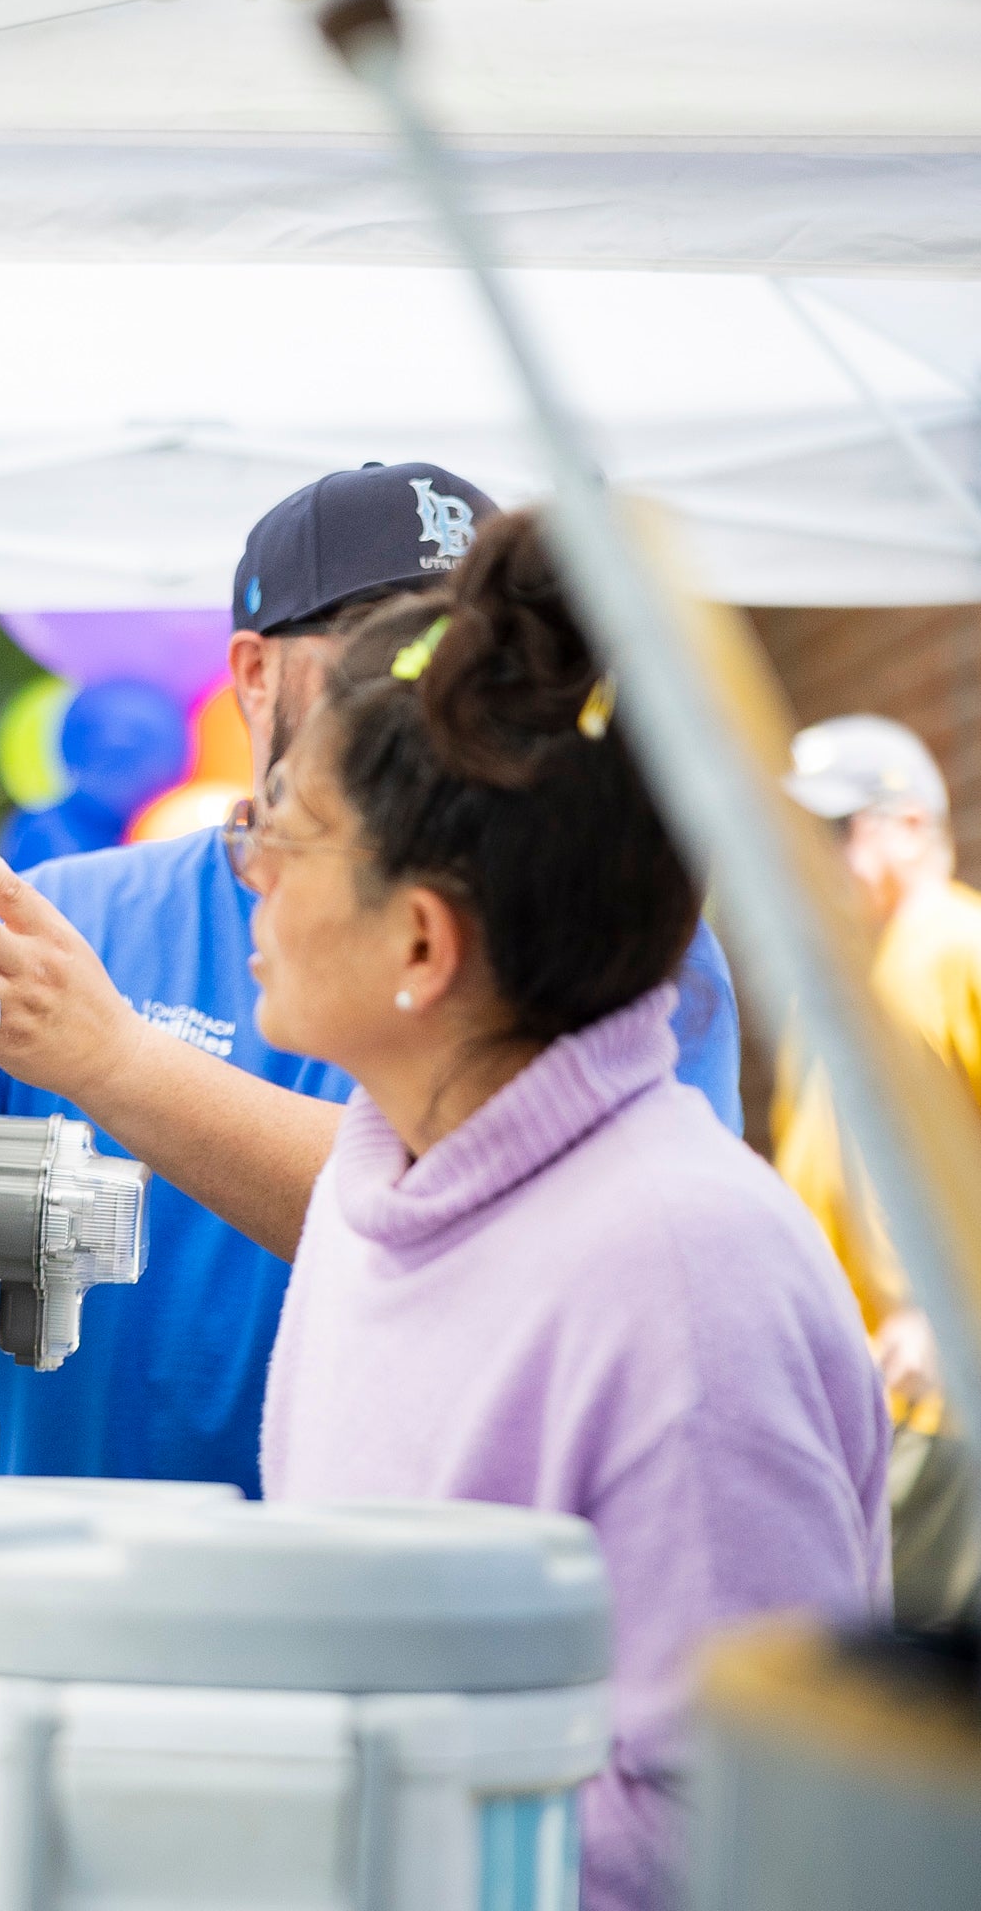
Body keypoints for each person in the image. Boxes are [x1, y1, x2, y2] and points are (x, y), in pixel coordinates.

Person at [0, 464, 744, 1491]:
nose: (425, 695)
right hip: (68, 1596)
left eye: (464, 653)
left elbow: (515, 1233)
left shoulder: (605, 937)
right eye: (381, 649)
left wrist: (115, 1057)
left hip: (398, 1609)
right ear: (252, 673)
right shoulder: (62, 915)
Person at [248, 510, 885, 1911]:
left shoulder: (684, 1274)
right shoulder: (375, 1195)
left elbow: (736, 1831)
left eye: (284, 831)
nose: (251, 864)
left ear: (420, 942)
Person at [772, 713, 981, 1628]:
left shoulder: (953, 942)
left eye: (836, 828)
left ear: (906, 825)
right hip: (864, 1412)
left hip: (942, 1418)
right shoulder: (839, 981)